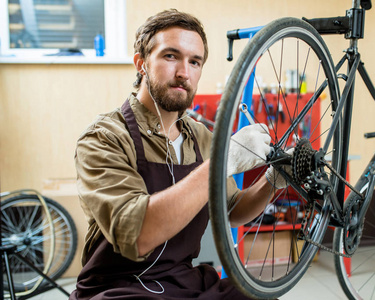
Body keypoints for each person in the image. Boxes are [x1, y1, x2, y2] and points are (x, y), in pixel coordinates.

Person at [70, 9, 288, 300]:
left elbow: (233, 210)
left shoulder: (201, 137)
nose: (184, 72)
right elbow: (138, 235)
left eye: (194, 61)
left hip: (184, 280)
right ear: (142, 64)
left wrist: (273, 180)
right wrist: (224, 161)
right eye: (171, 56)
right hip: (118, 286)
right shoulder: (104, 138)